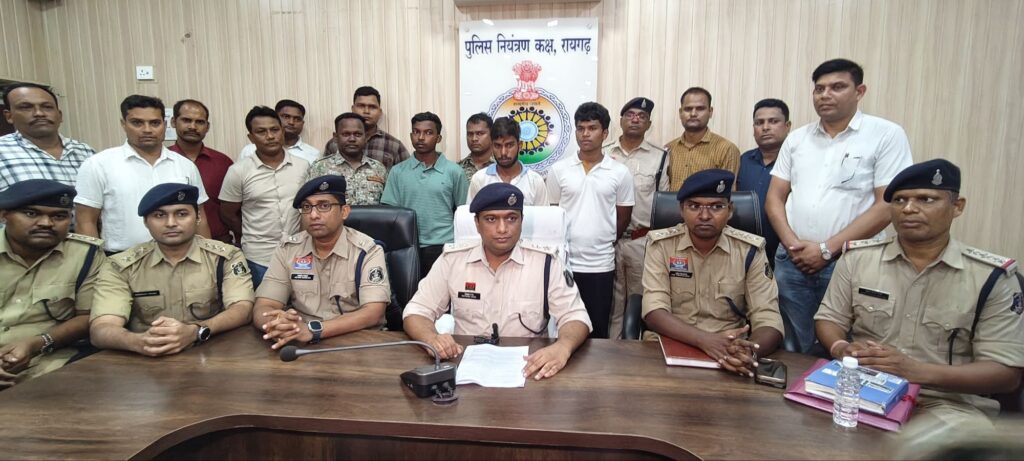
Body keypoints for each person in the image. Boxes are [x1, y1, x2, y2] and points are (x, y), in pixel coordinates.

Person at [815, 159, 1023, 426]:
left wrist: (915, 371)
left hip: (946, 404)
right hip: (861, 391)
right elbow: (829, 318)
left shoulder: (990, 278)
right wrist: (841, 347)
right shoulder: (857, 258)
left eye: (926, 199)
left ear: (957, 206)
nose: (909, 209)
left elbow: (1006, 373)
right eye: (899, 200)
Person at [766, 58, 914, 353]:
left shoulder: (885, 135)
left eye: (837, 87)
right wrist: (793, 245)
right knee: (793, 343)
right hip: (793, 259)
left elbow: (887, 204)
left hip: (851, 259)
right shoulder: (797, 139)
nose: (825, 95)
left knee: (847, 346)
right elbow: (774, 198)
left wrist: (826, 249)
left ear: (859, 91)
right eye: (819, 89)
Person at [403, 183, 592, 380]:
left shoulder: (547, 263)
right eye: (491, 219)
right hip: (465, 369)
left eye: (511, 218)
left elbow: (575, 316)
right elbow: (416, 311)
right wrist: (431, 338)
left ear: (522, 220)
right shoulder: (452, 260)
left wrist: (563, 347)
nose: (502, 229)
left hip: (529, 369)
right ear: (477, 223)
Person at [642, 170, 783, 376]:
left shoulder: (750, 251)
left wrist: (747, 351)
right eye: (694, 206)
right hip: (670, 345)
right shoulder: (661, 246)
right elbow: (654, 311)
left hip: (731, 351)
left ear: (730, 210)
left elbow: (768, 317)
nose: (705, 216)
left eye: (716, 207)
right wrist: (705, 341)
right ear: (681, 210)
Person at [88, 183, 254, 356]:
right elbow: (101, 328)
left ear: (198, 217)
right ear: (145, 221)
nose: (171, 223)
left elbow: (243, 309)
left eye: (182, 214)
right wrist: (140, 342)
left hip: (211, 352)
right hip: (144, 357)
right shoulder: (120, 266)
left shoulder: (225, 257)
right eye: (159, 215)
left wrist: (196, 331)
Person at [252, 175, 392, 350]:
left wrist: (313, 330)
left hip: (357, 342)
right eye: (306, 207)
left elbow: (373, 313)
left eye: (324, 206)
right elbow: (265, 305)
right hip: (301, 342)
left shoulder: (367, 250)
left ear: (344, 212)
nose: (313, 215)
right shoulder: (288, 249)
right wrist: (278, 324)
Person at [74, 95, 211, 254]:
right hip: (121, 259)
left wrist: (207, 258)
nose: (147, 130)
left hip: (180, 256)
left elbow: (200, 218)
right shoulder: (98, 164)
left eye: (155, 123)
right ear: (123, 124)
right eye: (137, 123)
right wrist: (94, 263)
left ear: (165, 124)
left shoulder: (185, 165)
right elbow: (85, 222)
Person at [0, 180, 104, 388]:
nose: (46, 223)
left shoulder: (85, 254)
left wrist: (37, 343)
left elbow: (88, 316)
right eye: (31, 213)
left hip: (49, 360)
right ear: (4, 215)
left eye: (59, 216)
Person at [545, 102, 634, 339]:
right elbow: (553, 214)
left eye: (592, 128)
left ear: (605, 133)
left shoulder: (619, 172)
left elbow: (623, 216)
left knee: (597, 328)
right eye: (580, 128)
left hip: (600, 264)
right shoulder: (559, 170)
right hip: (565, 263)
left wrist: (602, 239)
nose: (585, 134)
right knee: (563, 326)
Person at [219, 106, 310, 287]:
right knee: (265, 303)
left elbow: (307, 207)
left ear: (282, 131)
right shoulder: (238, 171)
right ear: (251, 137)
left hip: (298, 253)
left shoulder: (303, 166)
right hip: (259, 258)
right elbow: (228, 213)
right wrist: (250, 235)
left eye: (275, 130)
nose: (270, 136)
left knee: (303, 301)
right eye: (261, 132)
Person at [604, 97, 670, 338]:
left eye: (642, 116)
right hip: (607, 242)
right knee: (609, 304)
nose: (635, 119)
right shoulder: (603, 153)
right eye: (630, 115)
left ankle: (634, 353)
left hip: (641, 242)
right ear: (620, 120)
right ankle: (609, 350)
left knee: (640, 302)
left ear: (649, 124)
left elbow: (663, 202)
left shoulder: (660, 156)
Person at [381, 112, 469, 276]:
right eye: (416, 132)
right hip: (406, 246)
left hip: (444, 246)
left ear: (438, 138)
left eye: (428, 133)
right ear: (411, 135)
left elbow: (463, 212)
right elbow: (390, 214)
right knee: (409, 291)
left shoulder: (454, 171)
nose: (421, 137)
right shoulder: (397, 172)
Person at [0, 83, 95, 190]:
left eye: (47, 107)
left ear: (60, 115)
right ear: (9, 116)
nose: (39, 113)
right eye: (26, 107)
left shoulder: (85, 151)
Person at [168, 99, 235, 244]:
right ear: (173, 122)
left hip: (219, 242)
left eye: (199, 122)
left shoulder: (223, 162)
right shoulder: (162, 162)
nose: (193, 126)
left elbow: (234, 208)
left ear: (207, 126)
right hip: (172, 244)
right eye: (186, 120)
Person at [736, 98, 791, 267]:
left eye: (773, 121)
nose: (765, 127)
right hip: (745, 250)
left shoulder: (797, 162)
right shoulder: (743, 160)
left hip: (785, 251)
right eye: (759, 123)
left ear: (787, 126)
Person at [665, 87, 740, 190]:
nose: (693, 114)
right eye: (688, 109)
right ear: (680, 112)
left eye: (700, 108)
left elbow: (728, 193)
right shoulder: (668, 149)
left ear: (710, 112)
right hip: (672, 201)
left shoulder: (726, 149)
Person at [305, 113, 388, 205]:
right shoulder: (319, 168)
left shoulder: (378, 168)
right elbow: (307, 204)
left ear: (366, 137)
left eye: (358, 134)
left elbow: (387, 205)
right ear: (335, 137)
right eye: (346, 134)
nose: (352, 139)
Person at [467, 116, 548, 205]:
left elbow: (544, 214)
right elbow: (470, 213)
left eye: (509, 145)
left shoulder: (535, 181)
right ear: (492, 146)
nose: (503, 153)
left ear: (519, 146)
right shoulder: (479, 179)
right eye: (497, 146)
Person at [238, 99, 319, 164]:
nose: (291, 122)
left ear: (302, 123)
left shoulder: (313, 154)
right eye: (286, 117)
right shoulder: (249, 151)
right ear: (276, 118)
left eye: (297, 119)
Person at [352, 86, 409, 171]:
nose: (366, 111)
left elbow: (408, 176)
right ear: (353, 109)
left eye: (372, 107)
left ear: (380, 112)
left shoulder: (395, 146)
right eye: (361, 106)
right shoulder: (336, 144)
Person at [459, 112, 494, 181]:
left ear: (492, 134)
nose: (474, 139)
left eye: (480, 133)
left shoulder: (502, 166)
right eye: (470, 134)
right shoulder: (458, 169)